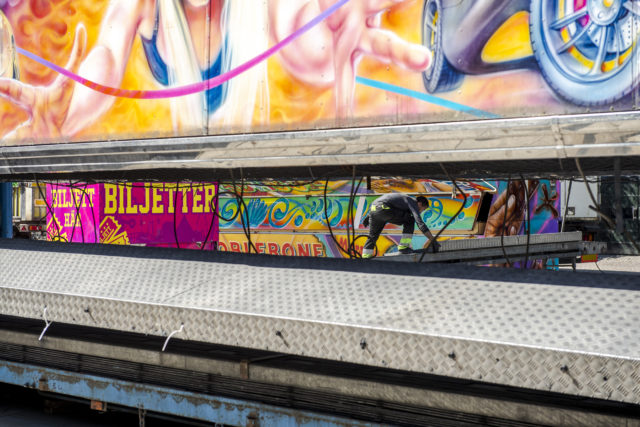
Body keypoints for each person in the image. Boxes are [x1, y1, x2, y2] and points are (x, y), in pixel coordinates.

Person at [362, 194, 439, 258]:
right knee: (410, 220)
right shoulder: (412, 202)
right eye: (423, 209)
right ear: (420, 204)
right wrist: (433, 240)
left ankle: (366, 255)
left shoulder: (402, 200)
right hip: (385, 209)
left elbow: (382, 203)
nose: (421, 211)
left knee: (373, 235)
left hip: (373, 210)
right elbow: (420, 223)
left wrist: (369, 216)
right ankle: (403, 247)